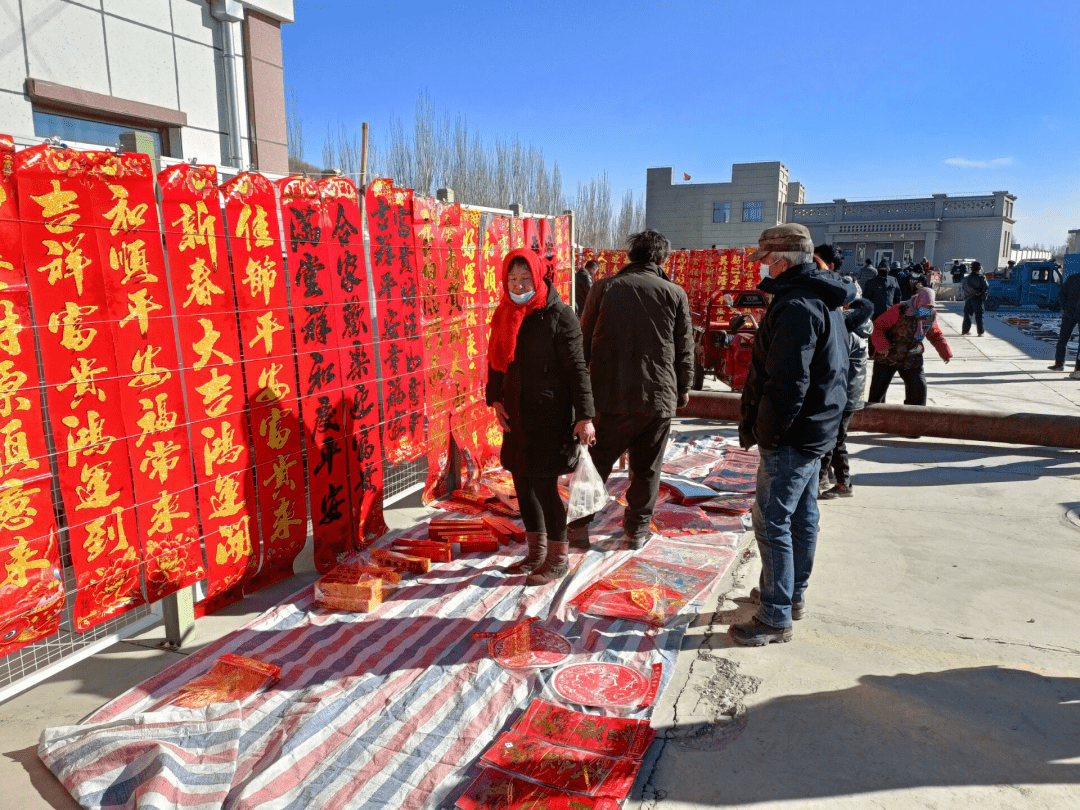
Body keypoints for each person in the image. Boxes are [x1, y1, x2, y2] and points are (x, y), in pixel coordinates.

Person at [732, 223, 848, 646]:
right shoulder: (822, 299)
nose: (762, 269)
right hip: (817, 429)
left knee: (772, 520)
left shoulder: (798, 306)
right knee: (801, 517)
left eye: (765, 261)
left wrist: (771, 434)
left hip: (795, 435)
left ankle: (775, 615)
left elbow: (788, 383)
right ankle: (788, 595)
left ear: (781, 262)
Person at [572, 229, 694, 550]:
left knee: (596, 463)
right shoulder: (675, 293)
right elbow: (685, 348)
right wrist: (682, 390)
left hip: (609, 397)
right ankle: (636, 531)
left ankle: (578, 527)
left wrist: (580, 396)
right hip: (658, 399)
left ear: (630, 257)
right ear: (661, 259)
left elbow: (581, 345)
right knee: (647, 468)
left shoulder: (604, 288)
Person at [485, 249, 595, 585]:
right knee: (522, 480)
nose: (518, 285)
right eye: (512, 279)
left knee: (544, 485)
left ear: (539, 278)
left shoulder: (560, 316)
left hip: (552, 415)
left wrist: (585, 416)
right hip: (516, 414)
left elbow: (578, 370)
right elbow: (495, 363)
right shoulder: (504, 313)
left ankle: (557, 559)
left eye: (525, 279)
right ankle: (535, 552)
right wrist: (495, 399)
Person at [819, 291, 874, 499]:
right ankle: (839, 481)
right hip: (853, 393)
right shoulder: (863, 329)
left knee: (830, 438)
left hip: (842, 393)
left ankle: (827, 481)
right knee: (836, 438)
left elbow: (834, 363)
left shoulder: (849, 331)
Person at [868, 284, 952, 405]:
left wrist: (945, 351)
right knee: (877, 395)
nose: (926, 309)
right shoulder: (899, 309)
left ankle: (914, 421)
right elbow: (878, 326)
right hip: (887, 356)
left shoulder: (931, 315)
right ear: (917, 300)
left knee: (919, 392)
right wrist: (881, 345)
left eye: (930, 306)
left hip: (912, 358)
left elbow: (935, 334)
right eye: (924, 305)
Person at [1049, 270, 1080, 376]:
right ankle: (1061, 365)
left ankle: (1062, 365)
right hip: (1070, 313)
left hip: (1069, 313)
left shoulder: (1072, 278)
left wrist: (1065, 308)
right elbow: (1062, 294)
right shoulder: (1073, 278)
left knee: (1063, 338)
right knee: (1063, 338)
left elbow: (1062, 294)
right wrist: (1065, 308)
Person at [961, 261, 989, 336]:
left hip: (968, 299)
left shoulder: (967, 278)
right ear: (979, 268)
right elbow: (985, 288)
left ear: (971, 269)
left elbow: (963, 287)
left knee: (967, 315)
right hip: (978, 299)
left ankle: (965, 331)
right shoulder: (981, 277)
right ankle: (980, 332)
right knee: (979, 316)